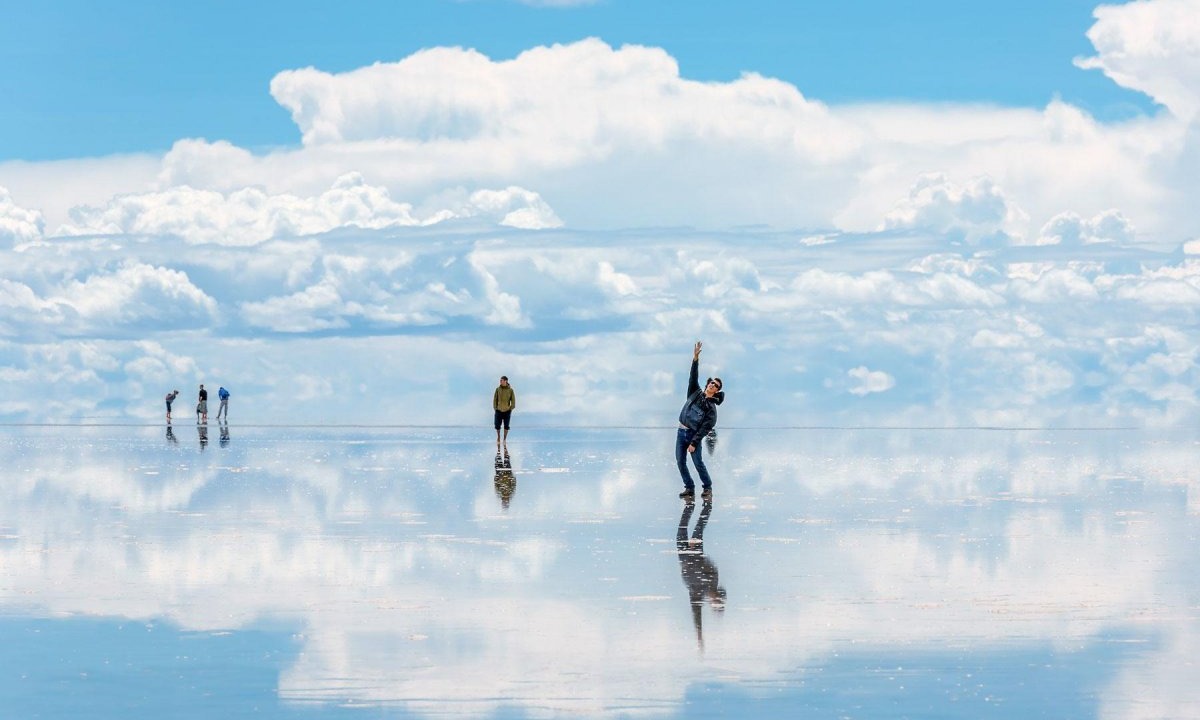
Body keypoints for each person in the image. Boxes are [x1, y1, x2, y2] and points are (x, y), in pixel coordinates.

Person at [676, 341, 723, 501]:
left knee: (698, 463)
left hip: (693, 435)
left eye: (715, 385)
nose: (712, 385)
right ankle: (689, 488)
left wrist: (694, 443)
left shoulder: (711, 409)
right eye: (711, 382)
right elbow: (693, 376)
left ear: (717, 390)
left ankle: (707, 487)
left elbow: (704, 428)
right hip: (680, 431)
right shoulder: (694, 392)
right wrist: (695, 358)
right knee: (680, 462)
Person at [676, 499, 725, 652]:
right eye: (716, 599)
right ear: (718, 595)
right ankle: (707, 506)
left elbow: (696, 612)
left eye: (713, 602)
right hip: (694, 549)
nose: (713, 599)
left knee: (682, 527)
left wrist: (699, 634)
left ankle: (689, 506)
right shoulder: (712, 581)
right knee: (699, 525)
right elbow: (708, 563)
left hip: (683, 556)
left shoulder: (698, 595)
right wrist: (694, 548)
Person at [493, 375, 516, 451]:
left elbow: (513, 401)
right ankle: (498, 437)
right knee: (497, 425)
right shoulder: (497, 389)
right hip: (498, 410)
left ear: (506, 381)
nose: (500, 381)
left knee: (506, 426)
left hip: (507, 411)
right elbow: (495, 399)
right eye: (500, 380)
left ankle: (504, 439)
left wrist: (511, 408)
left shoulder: (510, 390)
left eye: (502, 380)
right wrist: (495, 408)